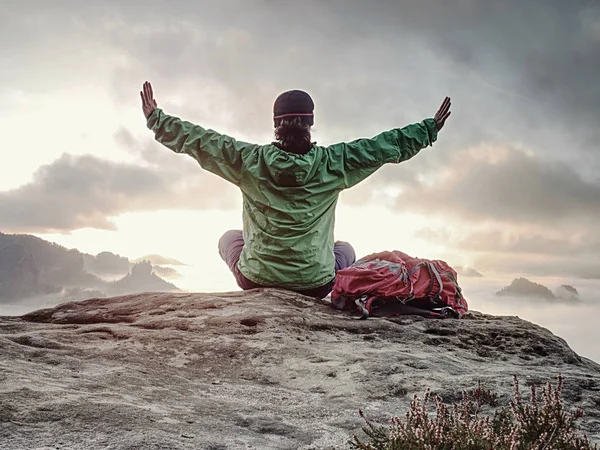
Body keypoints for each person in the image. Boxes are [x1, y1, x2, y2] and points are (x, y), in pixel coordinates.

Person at [140, 82, 451, 299]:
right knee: (345, 249)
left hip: (256, 279)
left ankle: (267, 262)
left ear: (277, 125)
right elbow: (381, 147)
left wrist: (157, 120)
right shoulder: (334, 163)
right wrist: (427, 129)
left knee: (228, 238)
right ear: (309, 124)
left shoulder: (250, 161)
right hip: (315, 285)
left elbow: (201, 141)